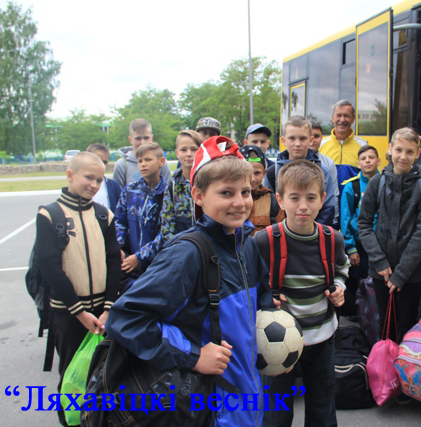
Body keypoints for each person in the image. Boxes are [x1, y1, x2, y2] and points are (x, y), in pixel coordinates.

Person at [106, 136, 273, 426]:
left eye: (245, 191)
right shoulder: (187, 254)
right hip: (209, 407)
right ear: (198, 195)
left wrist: (275, 339)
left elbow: (261, 299)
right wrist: (194, 355)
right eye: (226, 193)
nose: (239, 202)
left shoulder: (245, 243)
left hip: (246, 398)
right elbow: (126, 318)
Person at [254, 159, 350, 427]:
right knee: (276, 409)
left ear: (322, 199)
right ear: (280, 200)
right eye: (294, 198)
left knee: (322, 403)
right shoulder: (265, 240)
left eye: (311, 198)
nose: (303, 206)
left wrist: (339, 287)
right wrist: (266, 297)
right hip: (275, 341)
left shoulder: (332, 238)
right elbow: (251, 281)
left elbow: (342, 267)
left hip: (322, 336)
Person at [35, 152, 121, 426]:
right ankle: (71, 421)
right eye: (88, 178)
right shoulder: (50, 215)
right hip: (69, 313)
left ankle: (99, 420)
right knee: (72, 374)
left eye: (99, 180)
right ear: (70, 175)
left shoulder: (104, 215)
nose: (94, 185)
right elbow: (50, 269)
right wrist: (80, 313)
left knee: (105, 375)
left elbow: (113, 262)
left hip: (103, 313)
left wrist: (108, 307)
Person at [358, 127, 421, 345]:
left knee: (408, 324)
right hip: (381, 271)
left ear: (418, 154)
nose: (403, 156)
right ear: (390, 149)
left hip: (411, 273)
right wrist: (380, 261)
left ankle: (407, 364)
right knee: (385, 324)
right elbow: (364, 223)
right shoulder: (377, 183)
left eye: (410, 152)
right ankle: (387, 364)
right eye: (399, 150)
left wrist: (401, 273)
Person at [264, 116, 338, 227]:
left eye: (302, 138)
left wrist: (315, 231)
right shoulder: (272, 172)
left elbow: (328, 207)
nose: (297, 143)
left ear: (311, 140)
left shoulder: (322, 170)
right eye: (292, 138)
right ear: (283, 140)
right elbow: (267, 207)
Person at [115, 142, 167, 286]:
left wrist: (140, 257)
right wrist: (119, 249)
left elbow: (167, 233)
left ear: (161, 162)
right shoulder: (130, 190)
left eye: (148, 160)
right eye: (140, 161)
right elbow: (119, 221)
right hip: (131, 265)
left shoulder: (169, 193)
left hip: (159, 265)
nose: (143, 164)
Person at [340, 145, 380, 315]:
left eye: (371, 157)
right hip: (360, 245)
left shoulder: (386, 183)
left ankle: (378, 314)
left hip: (382, 245)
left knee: (380, 281)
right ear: (358, 164)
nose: (367, 161)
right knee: (361, 281)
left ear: (379, 161)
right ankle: (362, 315)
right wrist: (351, 248)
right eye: (363, 158)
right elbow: (345, 218)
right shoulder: (352, 187)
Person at [158, 130, 202, 245]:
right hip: (181, 247)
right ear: (177, 153)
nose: (189, 154)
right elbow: (167, 225)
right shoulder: (172, 186)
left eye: (194, 149)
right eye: (183, 150)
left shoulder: (209, 182)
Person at [319, 100, 368, 189]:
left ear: (353, 119)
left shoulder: (363, 146)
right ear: (333, 118)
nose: (342, 120)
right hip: (328, 197)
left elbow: (368, 176)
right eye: (339, 115)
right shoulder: (321, 145)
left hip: (353, 197)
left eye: (346, 116)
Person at [112, 118, 171, 187]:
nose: (142, 142)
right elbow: (118, 192)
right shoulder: (122, 165)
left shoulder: (160, 162)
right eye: (138, 138)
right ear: (130, 139)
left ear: (152, 137)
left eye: (146, 138)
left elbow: (167, 189)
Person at [239, 144, 283, 234]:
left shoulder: (273, 202)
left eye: (257, 173)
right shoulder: (229, 200)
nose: (252, 179)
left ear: (264, 173)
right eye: (247, 173)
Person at [311, 120, 338, 226]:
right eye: (309, 136)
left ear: (322, 138)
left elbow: (334, 194)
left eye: (316, 136)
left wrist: (334, 219)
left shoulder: (328, 163)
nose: (313, 140)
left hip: (323, 221)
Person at [86, 143, 122, 211]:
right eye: (97, 161)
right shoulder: (81, 184)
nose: (100, 165)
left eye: (104, 162)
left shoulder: (113, 186)